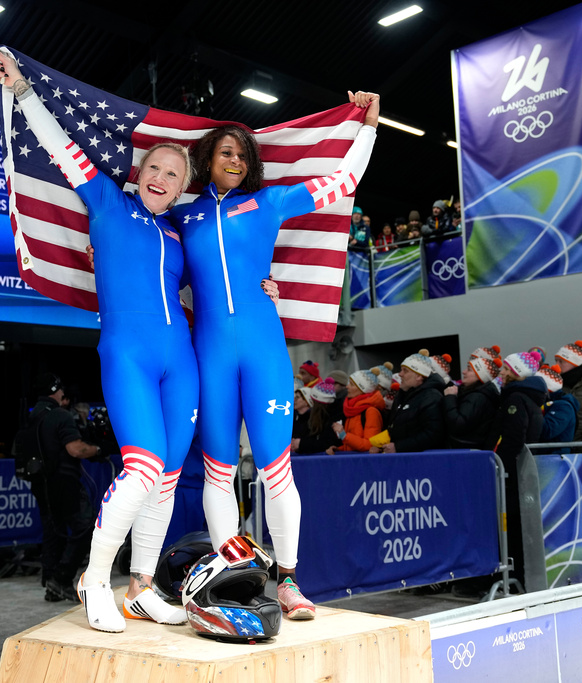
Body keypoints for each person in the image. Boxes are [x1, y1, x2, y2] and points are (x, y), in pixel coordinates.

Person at [0, 48, 276, 633]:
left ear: (181, 188)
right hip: (130, 358)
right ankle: (94, 578)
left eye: (175, 174)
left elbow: (224, 274)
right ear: (138, 174)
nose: (163, 178)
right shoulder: (106, 204)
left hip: (184, 364)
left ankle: (142, 586)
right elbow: (58, 145)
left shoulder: (178, 230)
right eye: (155, 169)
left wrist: (261, 283)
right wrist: (22, 92)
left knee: (169, 477)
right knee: (142, 468)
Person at [170, 89, 379, 620]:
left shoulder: (269, 202)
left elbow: (343, 182)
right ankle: (230, 575)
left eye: (242, 155)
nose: (235, 161)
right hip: (210, 354)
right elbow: (141, 238)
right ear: (206, 161)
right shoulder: (182, 215)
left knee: (275, 471)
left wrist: (369, 126)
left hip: (262, 349)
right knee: (218, 473)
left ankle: (287, 580)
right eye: (225, 153)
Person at [25, 373, 101, 604]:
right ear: (56, 391)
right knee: (84, 528)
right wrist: (100, 449)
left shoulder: (31, 416)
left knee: (53, 531)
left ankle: (51, 584)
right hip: (64, 481)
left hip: (41, 482)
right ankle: (62, 578)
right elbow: (76, 449)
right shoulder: (60, 415)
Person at [488, 351, 546, 589]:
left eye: (505, 370)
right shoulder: (528, 398)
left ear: (515, 374)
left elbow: (513, 439)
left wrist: (499, 465)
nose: (500, 373)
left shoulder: (515, 400)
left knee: (510, 528)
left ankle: (514, 580)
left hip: (511, 475)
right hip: (520, 473)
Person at [370, 351, 445, 453]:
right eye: (401, 370)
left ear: (419, 376)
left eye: (405, 371)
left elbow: (433, 434)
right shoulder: (402, 395)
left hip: (421, 461)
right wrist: (382, 446)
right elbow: (396, 429)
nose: (400, 374)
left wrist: (399, 447)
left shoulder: (432, 397)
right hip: (402, 458)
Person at [442, 357, 501, 449]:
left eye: (469, 370)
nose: (464, 372)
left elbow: (458, 425)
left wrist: (450, 398)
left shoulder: (477, 397)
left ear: (480, 376)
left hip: (464, 450)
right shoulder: (475, 393)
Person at [329, 369, 385, 453]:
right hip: (354, 461)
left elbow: (369, 445)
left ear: (362, 389)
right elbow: (353, 445)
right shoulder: (352, 409)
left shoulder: (371, 411)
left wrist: (344, 435)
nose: (347, 386)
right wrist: (339, 449)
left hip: (363, 463)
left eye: (351, 384)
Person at [293, 381, 342, 455]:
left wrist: (301, 444)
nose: (311, 405)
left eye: (313, 401)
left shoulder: (332, 418)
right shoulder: (319, 417)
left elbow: (328, 443)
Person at [538, 365, 579, 443]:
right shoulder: (545, 401)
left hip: (553, 454)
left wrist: (532, 411)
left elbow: (548, 431)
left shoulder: (564, 406)